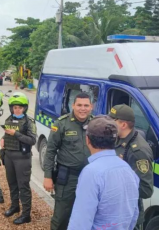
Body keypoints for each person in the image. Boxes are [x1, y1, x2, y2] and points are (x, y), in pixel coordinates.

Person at [68, 115, 140, 230]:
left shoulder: (91, 173)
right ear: (115, 140)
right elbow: (134, 214)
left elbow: (81, 221)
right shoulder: (128, 170)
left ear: (87, 140)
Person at [43, 92, 94, 230]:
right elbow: (50, 151)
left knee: (86, 214)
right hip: (68, 178)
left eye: (86, 105)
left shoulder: (96, 124)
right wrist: (48, 176)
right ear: (73, 105)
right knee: (62, 217)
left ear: (91, 107)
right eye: (79, 105)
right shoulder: (61, 124)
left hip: (91, 178)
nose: (82, 108)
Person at [108, 104, 154, 230]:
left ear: (123, 125)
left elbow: (146, 190)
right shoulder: (118, 138)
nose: (108, 124)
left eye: (112, 120)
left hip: (128, 217)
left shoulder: (138, 151)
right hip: (116, 210)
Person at [0, 92, 37, 225]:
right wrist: (3, 140)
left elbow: (32, 140)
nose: (17, 110)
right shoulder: (9, 119)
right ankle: (15, 206)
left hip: (22, 158)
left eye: (20, 107)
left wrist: (16, 134)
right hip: (9, 156)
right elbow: (7, 135)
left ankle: (26, 214)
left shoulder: (28, 122)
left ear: (24, 108)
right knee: (12, 184)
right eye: (15, 107)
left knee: (23, 186)